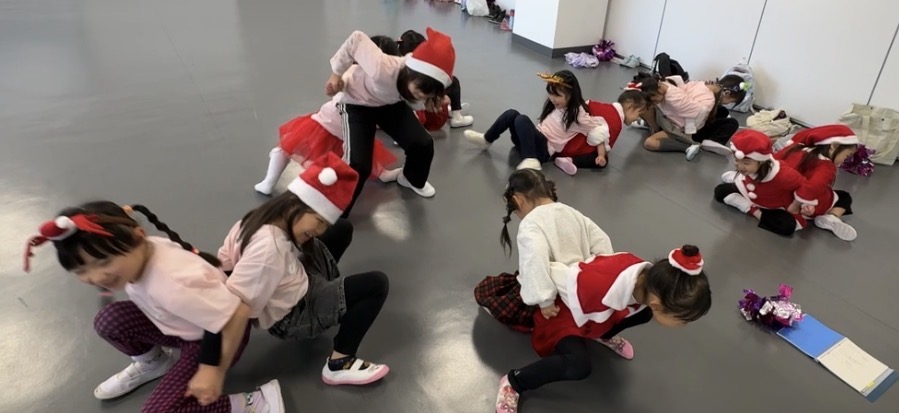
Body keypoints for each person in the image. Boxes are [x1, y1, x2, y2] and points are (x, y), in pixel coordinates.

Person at [24, 203, 283, 412]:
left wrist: (212, 370)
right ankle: (155, 363)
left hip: (215, 335)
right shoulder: (140, 252)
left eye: (103, 262)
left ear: (138, 236)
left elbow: (236, 314)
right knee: (109, 321)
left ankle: (254, 404)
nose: (96, 277)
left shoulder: (173, 283)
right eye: (81, 270)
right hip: (180, 322)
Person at [222, 153, 390, 386]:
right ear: (295, 204)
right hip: (294, 315)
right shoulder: (269, 250)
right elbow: (240, 308)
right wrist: (215, 364)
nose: (320, 230)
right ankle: (340, 363)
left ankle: (333, 301)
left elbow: (226, 260)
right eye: (319, 221)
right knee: (376, 285)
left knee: (341, 229)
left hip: (295, 280)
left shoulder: (256, 220)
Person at [494, 245, 712, 413]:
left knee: (644, 314)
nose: (683, 325)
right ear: (657, 304)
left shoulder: (649, 282)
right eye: (683, 320)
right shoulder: (595, 283)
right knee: (578, 365)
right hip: (562, 315)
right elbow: (551, 272)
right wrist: (544, 301)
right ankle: (514, 382)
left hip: (594, 314)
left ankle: (601, 335)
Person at [325, 27, 457, 211]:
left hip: (389, 103)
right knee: (359, 165)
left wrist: (432, 98)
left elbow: (431, 87)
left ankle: (410, 178)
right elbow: (356, 39)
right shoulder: (383, 68)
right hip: (357, 102)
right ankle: (335, 209)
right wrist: (336, 75)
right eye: (420, 89)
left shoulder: (422, 85)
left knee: (423, 144)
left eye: (428, 93)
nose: (421, 95)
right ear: (409, 72)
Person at [465, 71, 645, 174]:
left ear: (570, 95)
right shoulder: (556, 105)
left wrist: (601, 154)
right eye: (551, 94)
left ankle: (531, 159)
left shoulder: (578, 114)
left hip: (543, 150)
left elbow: (599, 131)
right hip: (533, 140)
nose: (553, 99)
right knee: (512, 113)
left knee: (521, 119)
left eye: (557, 95)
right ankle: (487, 139)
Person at [714, 129, 809, 237]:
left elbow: (806, 186)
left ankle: (752, 209)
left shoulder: (783, 174)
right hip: (749, 191)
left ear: (762, 162)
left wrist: (798, 204)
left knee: (787, 226)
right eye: (736, 160)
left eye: (746, 163)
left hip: (775, 205)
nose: (739, 166)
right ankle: (747, 201)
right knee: (720, 191)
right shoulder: (750, 167)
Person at [775, 124, 860, 241]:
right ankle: (832, 216)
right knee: (844, 197)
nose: (844, 161)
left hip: (775, 195)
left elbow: (774, 162)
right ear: (834, 146)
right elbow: (811, 188)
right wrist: (797, 205)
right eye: (846, 156)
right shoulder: (827, 166)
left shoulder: (796, 148)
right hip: (800, 205)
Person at [636, 74, 745, 161]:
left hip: (671, 118)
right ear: (727, 94)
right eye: (730, 102)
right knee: (732, 122)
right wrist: (689, 138)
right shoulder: (709, 99)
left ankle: (651, 126)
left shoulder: (699, 84)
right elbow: (694, 119)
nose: (728, 104)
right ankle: (712, 141)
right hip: (681, 127)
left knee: (723, 111)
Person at [397, 29, 474, 129]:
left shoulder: (397, 69)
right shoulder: (419, 72)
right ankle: (456, 115)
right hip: (433, 119)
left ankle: (451, 110)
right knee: (452, 82)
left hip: (424, 115)